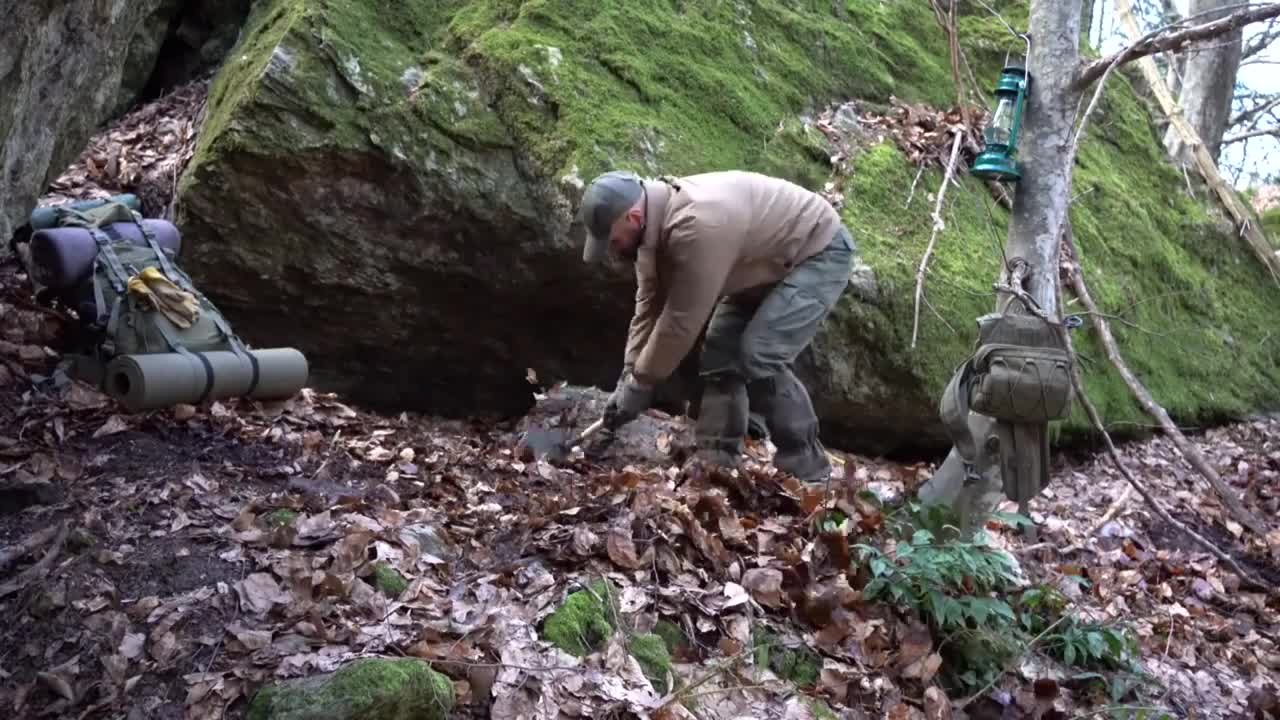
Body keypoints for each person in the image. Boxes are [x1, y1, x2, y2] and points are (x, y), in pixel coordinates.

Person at [577, 169, 856, 484]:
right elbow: (649, 306)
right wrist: (628, 376)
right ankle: (717, 463)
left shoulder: (697, 225)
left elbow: (680, 322)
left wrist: (642, 385)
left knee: (760, 354)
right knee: (720, 352)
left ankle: (810, 470)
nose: (613, 249)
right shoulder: (648, 235)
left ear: (634, 215)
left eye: (613, 240)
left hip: (818, 252)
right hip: (762, 266)